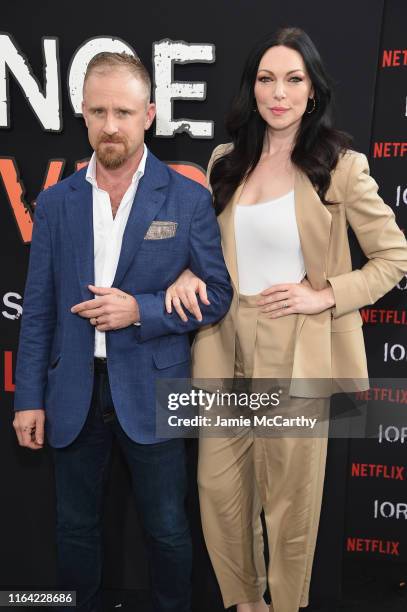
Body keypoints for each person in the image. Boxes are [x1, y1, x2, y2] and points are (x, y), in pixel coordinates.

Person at [165, 28, 407, 612]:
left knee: (291, 503)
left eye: (293, 79)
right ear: (253, 88)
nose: (279, 92)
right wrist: (186, 274)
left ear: (313, 91)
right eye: (267, 79)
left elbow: (395, 256)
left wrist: (324, 295)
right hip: (223, 344)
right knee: (219, 494)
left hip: (299, 350)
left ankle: (286, 605)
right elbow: (205, 249)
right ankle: (245, 603)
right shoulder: (226, 160)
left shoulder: (341, 166)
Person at [12, 51, 232, 612]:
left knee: (166, 529)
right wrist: (28, 398)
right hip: (72, 392)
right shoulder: (56, 203)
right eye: (99, 111)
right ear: (82, 115)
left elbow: (219, 293)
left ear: (150, 114)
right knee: (75, 529)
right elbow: (37, 311)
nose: (111, 125)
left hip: (156, 386)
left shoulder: (186, 199)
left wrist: (144, 310)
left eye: (125, 112)